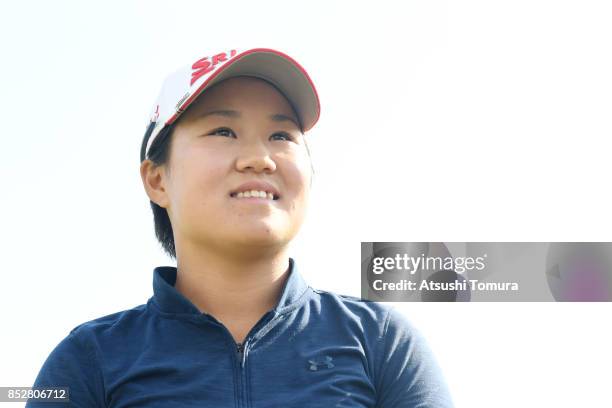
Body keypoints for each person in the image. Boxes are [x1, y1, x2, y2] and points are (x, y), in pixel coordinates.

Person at [27, 48, 454, 407]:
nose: (260, 158)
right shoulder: (89, 359)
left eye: (282, 136)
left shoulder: (381, 342)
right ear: (157, 180)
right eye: (224, 130)